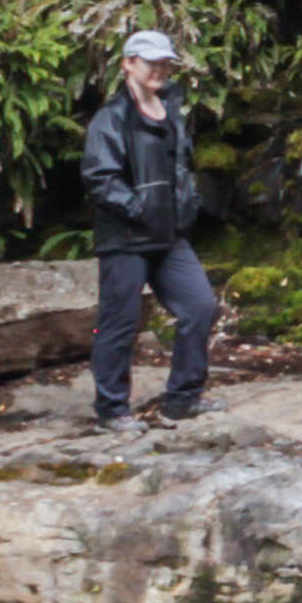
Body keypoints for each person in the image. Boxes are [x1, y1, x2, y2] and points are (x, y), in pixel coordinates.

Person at [82, 28, 215, 426]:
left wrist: (186, 203)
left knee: (200, 307)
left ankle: (183, 398)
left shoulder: (171, 108)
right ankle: (112, 409)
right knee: (118, 324)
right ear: (128, 64)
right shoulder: (112, 118)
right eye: (151, 61)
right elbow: (99, 176)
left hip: (169, 236)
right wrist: (140, 209)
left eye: (166, 62)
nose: (160, 69)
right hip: (125, 238)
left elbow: (180, 167)